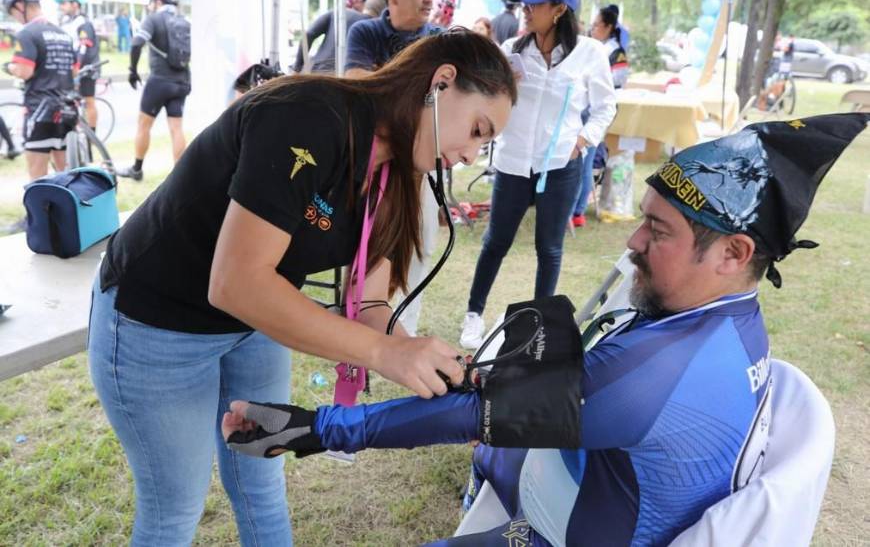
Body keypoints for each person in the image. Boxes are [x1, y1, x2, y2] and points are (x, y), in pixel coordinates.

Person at [221, 113, 869, 546]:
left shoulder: (657, 376)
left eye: (659, 232)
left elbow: (472, 415)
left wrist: (316, 429)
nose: (635, 241)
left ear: (731, 254)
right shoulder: (736, 324)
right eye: (644, 219)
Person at [88, 30, 516, 546]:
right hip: (158, 321)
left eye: (483, 144)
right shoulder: (309, 115)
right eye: (476, 129)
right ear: (441, 82)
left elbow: (371, 302)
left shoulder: (396, 171)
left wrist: (434, 370)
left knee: (261, 476)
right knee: (175, 509)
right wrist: (384, 352)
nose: (471, 154)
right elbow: (236, 283)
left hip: (255, 325)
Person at [459, 0, 616, 349]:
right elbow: (492, 98)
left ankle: (538, 322)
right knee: (495, 241)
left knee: (549, 248)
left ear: (560, 9)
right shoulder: (513, 48)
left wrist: (582, 141)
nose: (525, 10)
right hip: (514, 163)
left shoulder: (589, 53)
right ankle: (473, 315)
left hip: (562, 165)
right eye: (524, 3)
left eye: (535, 4)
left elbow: (605, 106)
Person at [346, 0, 444, 336]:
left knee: (420, 244)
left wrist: (384, 80)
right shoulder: (366, 31)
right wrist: (416, 91)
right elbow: (356, 86)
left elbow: (445, 105)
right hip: (375, 159)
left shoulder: (439, 40)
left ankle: (404, 327)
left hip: (421, 165)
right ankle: (361, 321)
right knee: (366, 242)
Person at [1, 0, 76, 188]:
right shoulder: (63, 34)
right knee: (65, 174)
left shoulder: (27, 33)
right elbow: (74, 71)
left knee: (38, 175)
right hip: (67, 109)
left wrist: (9, 67)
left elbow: (25, 71)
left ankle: (37, 219)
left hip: (40, 110)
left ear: (21, 5)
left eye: (12, 10)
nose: (13, 16)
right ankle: (66, 217)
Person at [117, 0, 190, 181]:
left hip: (159, 80)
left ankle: (137, 169)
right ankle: (180, 177)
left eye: (151, 0)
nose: (149, 4)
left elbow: (136, 44)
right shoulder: (185, 21)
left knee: (143, 125)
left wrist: (132, 70)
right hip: (182, 80)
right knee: (176, 128)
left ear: (158, 0)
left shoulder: (153, 19)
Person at [571, 3, 630, 228]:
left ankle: (576, 210)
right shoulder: (597, 47)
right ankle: (576, 210)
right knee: (582, 161)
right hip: (586, 108)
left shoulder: (615, 51)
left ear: (608, 27)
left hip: (596, 110)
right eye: (592, 25)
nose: (593, 29)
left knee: (584, 161)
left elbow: (617, 83)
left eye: (597, 25)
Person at [293, 0, 381, 74]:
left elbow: (309, 34)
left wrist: (297, 68)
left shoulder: (336, 12)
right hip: (339, 81)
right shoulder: (372, 27)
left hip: (314, 73)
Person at [56, 0, 100, 142]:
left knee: (89, 101)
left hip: (86, 68)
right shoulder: (67, 22)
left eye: (64, 3)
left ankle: (91, 138)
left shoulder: (83, 23)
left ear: (75, 4)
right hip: (71, 68)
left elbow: (83, 47)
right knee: (70, 102)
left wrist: (78, 69)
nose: (61, 6)